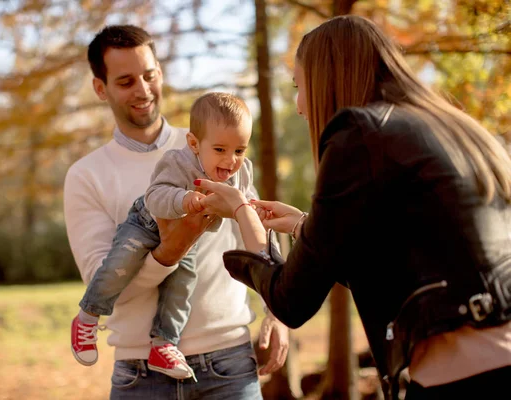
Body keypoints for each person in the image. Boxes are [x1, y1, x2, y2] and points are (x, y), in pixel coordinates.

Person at [194, 15, 511, 400]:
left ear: (328, 77)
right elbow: (407, 256)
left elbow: (291, 300)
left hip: (466, 378)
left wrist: (242, 212)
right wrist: (302, 226)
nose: (297, 105)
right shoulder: (454, 127)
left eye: (299, 86)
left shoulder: (357, 133)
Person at [63, 24, 289, 399]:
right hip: (140, 377)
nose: (143, 90)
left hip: (230, 364)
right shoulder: (86, 176)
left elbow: (257, 227)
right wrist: (170, 251)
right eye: (125, 81)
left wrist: (277, 311)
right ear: (100, 88)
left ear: (160, 73)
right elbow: (105, 283)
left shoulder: (218, 144)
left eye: (149, 75)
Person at [70, 91, 258, 382]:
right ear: (194, 144)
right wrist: (184, 200)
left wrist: (256, 212)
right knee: (121, 264)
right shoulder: (178, 161)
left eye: (239, 150)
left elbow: (244, 205)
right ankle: (88, 316)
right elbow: (155, 196)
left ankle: (164, 343)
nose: (231, 160)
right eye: (220, 150)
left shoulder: (241, 173)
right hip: (145, 225)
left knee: (181, 287)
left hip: (189, 238)